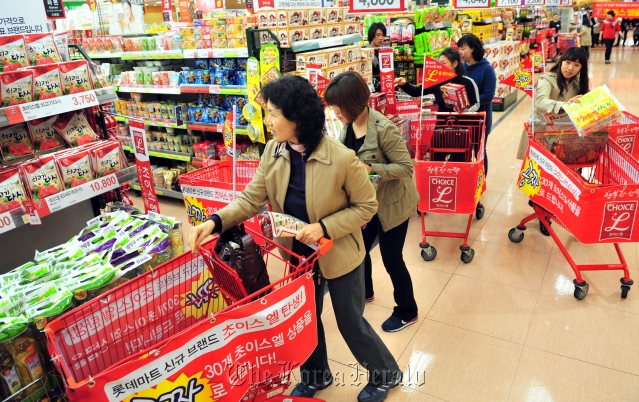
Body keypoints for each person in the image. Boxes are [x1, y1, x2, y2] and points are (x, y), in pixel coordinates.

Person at [188, 76, 402, 402]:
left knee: (349, 321)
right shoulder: (273, 152)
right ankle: (317, 375)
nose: (268, 121)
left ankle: (386, 373)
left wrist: (326, 227)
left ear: (297, 118)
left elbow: (367, 206)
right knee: (305, 318)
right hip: (299, 255)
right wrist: (215, 222)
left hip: (339, 253)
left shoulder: (342, 159)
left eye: (273, 113)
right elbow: (251, 199)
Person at [324, 71, 420, 333]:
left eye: (337, 107)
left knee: (392, 258)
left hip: (392, 205)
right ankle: (365, 292)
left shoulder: (383, 129)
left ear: (353, 103)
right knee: (359, 250)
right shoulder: (348, 125)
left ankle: (407, 310)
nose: (335, 113)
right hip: (367, 205)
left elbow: (405, 167)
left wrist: (371, 168)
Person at [517, 48, 589, 235]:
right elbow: (541, 101)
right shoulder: (547, 78)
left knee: (557, 174)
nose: (570, 68)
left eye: (576, 64)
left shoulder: (578, 83)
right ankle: (544, 214)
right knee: (543, 173)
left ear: (581, 67)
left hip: (563, 134)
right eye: (567, 62)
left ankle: (545, 205)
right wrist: (565, 105)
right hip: (542, 131)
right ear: (561, 60)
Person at [457, 34, 496, 177]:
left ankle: (481, 180)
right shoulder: (460, 68)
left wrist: (467, 102)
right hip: (463, 117)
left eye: (463, 48)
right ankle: (465, 177)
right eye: (459, 49)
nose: (460, 52)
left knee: (479, 149)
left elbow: (488, 95)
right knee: (462, 148)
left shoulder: (487, 70)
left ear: (473, 49)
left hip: (480, 118)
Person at [394, 48, 480, 112]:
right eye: (439, 63)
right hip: (441, 125)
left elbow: (476, 103)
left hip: (463, 126)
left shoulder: (468, 82)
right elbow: (416, 91)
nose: (440, 66)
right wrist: (405, 84)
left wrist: (466, 111)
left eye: (444, 63)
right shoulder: (436, 81)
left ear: (455, 63)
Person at [366, 22, 387, 93]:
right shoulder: (365, 52)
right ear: (372, 35)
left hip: (383, 90)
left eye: (383, 35)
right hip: (371, 93)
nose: (381, 38)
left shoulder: (382, 52)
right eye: (378, 35)